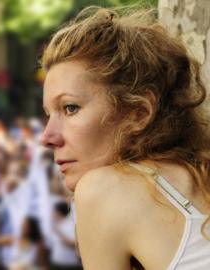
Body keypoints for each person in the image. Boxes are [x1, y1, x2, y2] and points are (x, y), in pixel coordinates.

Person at [40, 6, 210, 269]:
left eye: (70, 108)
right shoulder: (198, 177)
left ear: (138, 113)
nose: (47, 137)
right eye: (48, 114)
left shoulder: (103, 189)